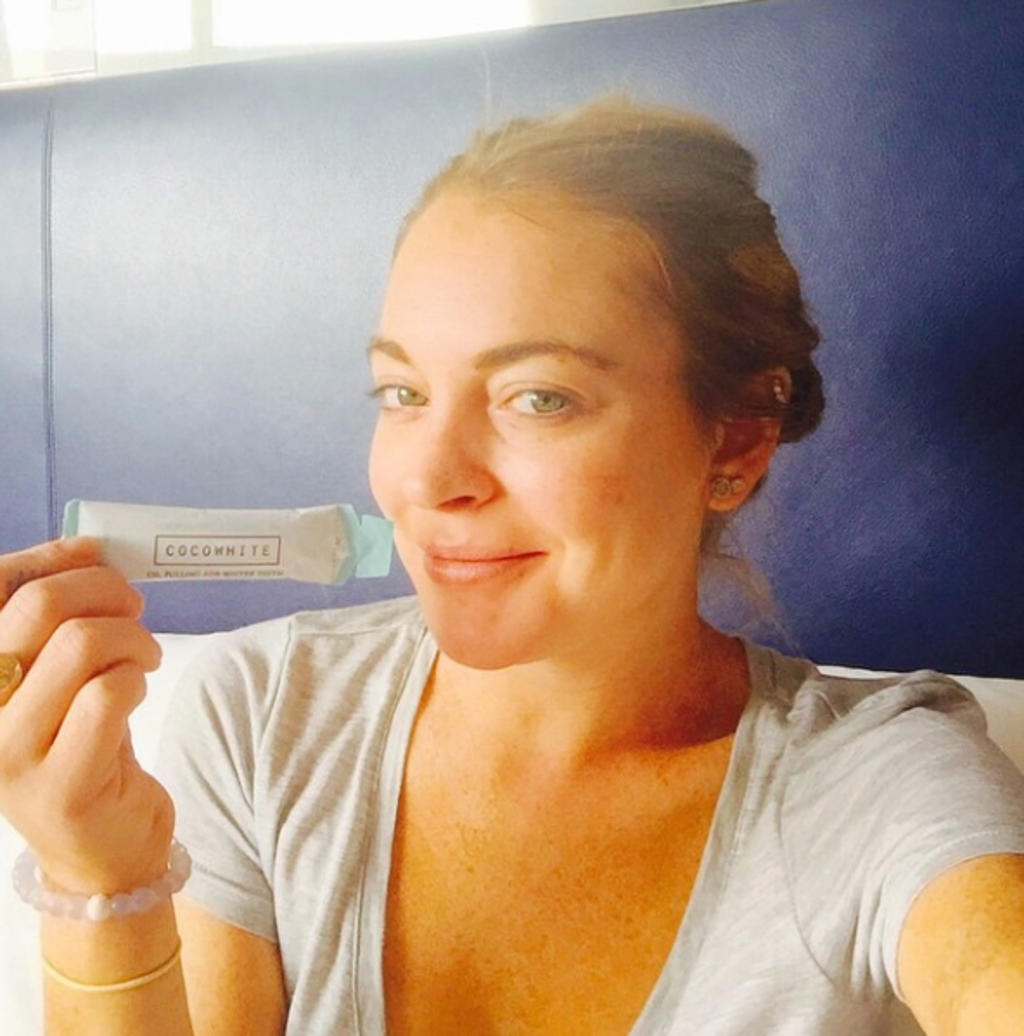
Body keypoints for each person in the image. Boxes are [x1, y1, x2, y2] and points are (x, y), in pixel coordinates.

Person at [0, 96, 1022, 1035]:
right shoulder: (265, 713)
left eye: (539, 398)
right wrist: (99, 878)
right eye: (403, 394)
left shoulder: (874, 780)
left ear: (737, 440)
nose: (427, 479)